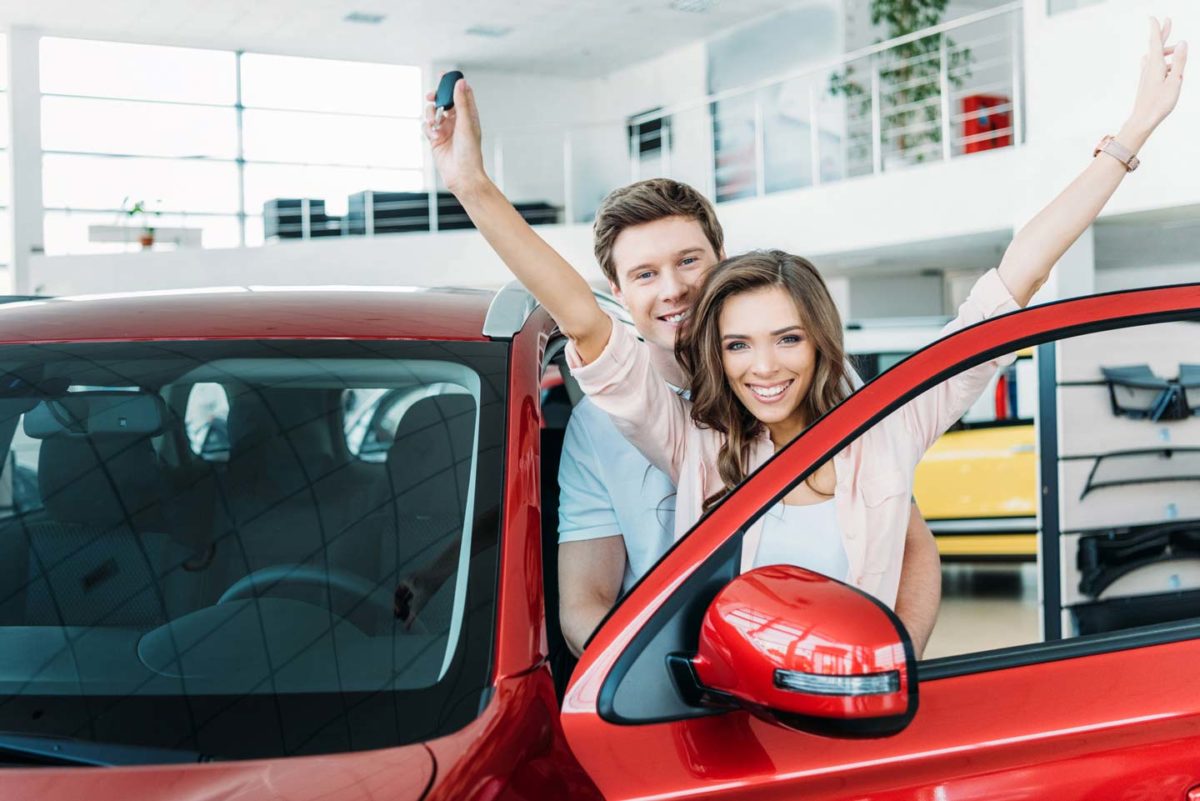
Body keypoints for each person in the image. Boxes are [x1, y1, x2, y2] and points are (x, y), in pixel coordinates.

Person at [424, 17, 1184, 620]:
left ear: (820, 340)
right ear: (715, 354)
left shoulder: (883, 428)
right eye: (738, 345)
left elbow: (1011, 282)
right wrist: (473, 188)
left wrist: (1132, 135)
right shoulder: (690, 442)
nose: (765, 365)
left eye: (787, 339)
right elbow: (583, 320)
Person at [553, 180, 939, 657]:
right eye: (645, 274)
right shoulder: (598, 425)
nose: (674, 290)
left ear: (721, 258)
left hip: (838, 673)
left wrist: (893, 667)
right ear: (618, 291)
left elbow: (911, 543)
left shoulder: (820, 385)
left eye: (689, 261)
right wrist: (673, 684)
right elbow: (583, 605)